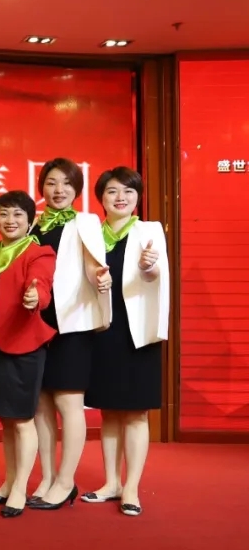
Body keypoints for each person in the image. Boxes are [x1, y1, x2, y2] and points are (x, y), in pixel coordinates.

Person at [83, 167, 168, 517]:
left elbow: (156, 275)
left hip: (138, 333)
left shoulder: (149, 231)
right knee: (109, 411)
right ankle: (111, 483)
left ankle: (131, 487)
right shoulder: (91, 235)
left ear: (138, 198)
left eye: (128, 192)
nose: (121, 198)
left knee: (135, 412)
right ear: (101, 198)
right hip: (103, 330)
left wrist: (148, 266)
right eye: (112, 191)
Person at [0, 191, 56, 517]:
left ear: (31, 220)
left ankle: (20, 488)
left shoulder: (38, 253)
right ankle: (9, 482)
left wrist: (36, 297)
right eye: (4, 214)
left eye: (18, 214)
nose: (10, 220)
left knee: (22, 420)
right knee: (6, 420)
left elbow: (41, 284)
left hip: (24, 345)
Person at [30, 159, 107, 510]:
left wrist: (100, 279)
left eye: (66, 183)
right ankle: (47, 477)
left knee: (68, 402)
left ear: (77, 188)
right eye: (51, 183)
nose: (58, 190)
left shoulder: (84, 222)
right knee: (41, 404)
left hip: (72, 323)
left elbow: (94, 265)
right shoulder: (34, 224)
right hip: (37, 324)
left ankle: (65, 482)